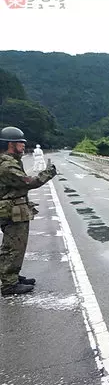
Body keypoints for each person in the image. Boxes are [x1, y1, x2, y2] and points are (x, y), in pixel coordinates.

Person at [0, 127, 57, 296]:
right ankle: (8, 283)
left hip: (14, 209)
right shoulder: (7, 164)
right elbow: (28, 182)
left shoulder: (11, 160)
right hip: (11, 211)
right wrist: (48, 173)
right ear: (11, 144)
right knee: (13, 246)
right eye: (20, 143)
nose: (23, 146)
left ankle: (12, 276)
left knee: (16, 245)